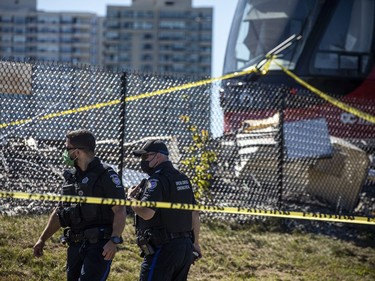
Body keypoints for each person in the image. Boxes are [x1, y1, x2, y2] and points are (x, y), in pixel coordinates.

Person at [33, 129, 126, 281]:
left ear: (77, 152)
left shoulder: (106, 175)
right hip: (75, 245)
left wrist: (114, 240)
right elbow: (60, 212)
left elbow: (120, 210)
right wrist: (42, 239)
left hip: (99, 246)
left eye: (66, 148)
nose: (64, 152)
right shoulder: (72, 177)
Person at [127, 139, 201, 281]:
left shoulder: (156, 180)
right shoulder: (182, 178)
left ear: (159, 156)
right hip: (184, 247)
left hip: (163, 248)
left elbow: (147, 213)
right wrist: (195, 243)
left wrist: (130, 199)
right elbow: (194, 213)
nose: (142, 161)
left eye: (145, 156)